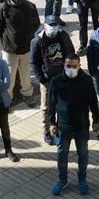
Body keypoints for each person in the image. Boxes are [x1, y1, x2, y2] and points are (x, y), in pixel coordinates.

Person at [46, 53, 99, 195]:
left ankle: (82, 180)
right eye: (68, 66)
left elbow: (93, 102)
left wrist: (96, 120)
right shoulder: (56, 81)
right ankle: (62, 180)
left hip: (81, 126)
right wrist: (51, 122)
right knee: (62, 155)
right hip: (63, 127)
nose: (71, 68)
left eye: (74, 66)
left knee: (83, 154)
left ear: (79, 65)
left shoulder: (87, 81)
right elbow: (51, 103)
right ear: (64, 65)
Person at [31, 15, 76, 144]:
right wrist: (42, 79)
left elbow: (71, 54)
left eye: (55, 25)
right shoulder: (38, 41)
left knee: (64, 103)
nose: (53, 28)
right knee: (46, 106)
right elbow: (34, 63)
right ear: (45, 25)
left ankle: (62, 127)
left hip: (63, 77)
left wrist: (71, 73)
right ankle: (46, 130)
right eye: (51, 25)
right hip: (48, 79)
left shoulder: (63, 36)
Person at [0, 0, 39, 105]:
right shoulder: (2, 9)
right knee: (9, 75)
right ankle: (8, 97)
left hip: (26, 47)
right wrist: (7, 38)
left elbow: (36, 24)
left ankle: (27, 94)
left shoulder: (30, 6)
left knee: (26, 73)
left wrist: (28, 35)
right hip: (9, 49)